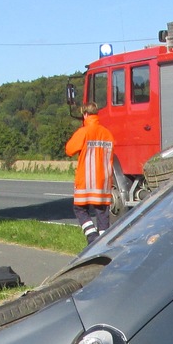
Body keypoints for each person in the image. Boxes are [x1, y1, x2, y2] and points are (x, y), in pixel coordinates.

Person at [64, 104, 114, 245]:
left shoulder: (83, 132)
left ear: (85, 114)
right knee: (102, 212)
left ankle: (92, 236)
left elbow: (69, 150)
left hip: (86, 180)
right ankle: (104, 243)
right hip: (103, 181)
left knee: (80, 209)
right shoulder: (107, 133)